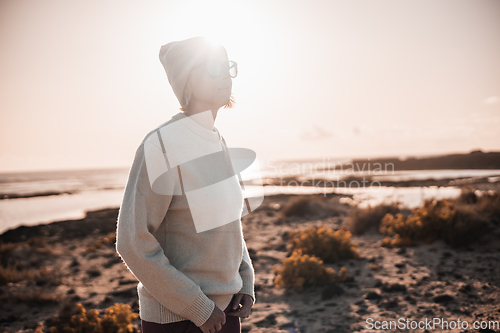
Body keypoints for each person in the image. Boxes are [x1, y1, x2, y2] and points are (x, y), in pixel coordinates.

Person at [115, 36, 255, 333]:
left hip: (226, 312)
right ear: (186, 79)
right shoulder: (162, 145)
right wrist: (198, 307)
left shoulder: (218, 142)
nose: (225, 76)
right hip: (180, 320)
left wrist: (245, 278)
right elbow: (132, 240)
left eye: (227, 66)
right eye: (213, 67)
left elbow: (228, 224)